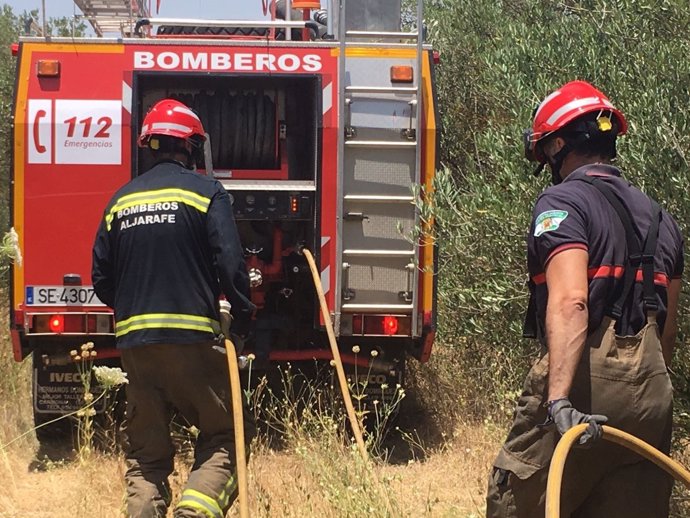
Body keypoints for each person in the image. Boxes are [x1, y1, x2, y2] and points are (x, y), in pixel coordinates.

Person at [486, 80, 684, 518]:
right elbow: (667, 331)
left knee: (516, 505)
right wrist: (646, 390)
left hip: (581, 390)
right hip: (651, 399)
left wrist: (558, 400)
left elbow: (571, 301)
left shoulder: (562, 203)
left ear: (558, 145)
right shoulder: (661, 218)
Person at [92, 98, 255, 518]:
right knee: (226, 435)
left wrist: (133, 310)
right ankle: (195, 513)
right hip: (193, 342)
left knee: (146, 456)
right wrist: (242, 317)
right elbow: (230, 263)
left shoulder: (120, 201)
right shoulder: (206, 192)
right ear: (192, 147)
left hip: (136, 348)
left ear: (150, 145)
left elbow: (101, 279)